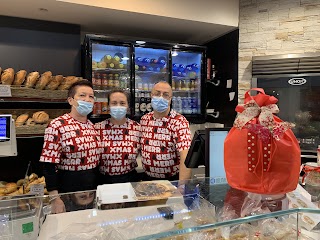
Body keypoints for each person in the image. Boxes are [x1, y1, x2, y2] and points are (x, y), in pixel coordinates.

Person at [40, 80, 103, 214]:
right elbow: (48, 164)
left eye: (91, 97)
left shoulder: (92, 126)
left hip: (92, 190)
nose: (87, 100)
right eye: (82, 95)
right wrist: (54, 198)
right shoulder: (57, 125)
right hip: (68, 191)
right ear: (70, 100)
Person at [140, 81, 192, 181]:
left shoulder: (179, 122)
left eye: (165, 95)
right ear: (151, 96)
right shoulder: (144, 119)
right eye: (157, 93)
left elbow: (186, 157)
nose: (161, 97)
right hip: (147, 180)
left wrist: (182, 187)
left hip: (171, 181)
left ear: (170, 99)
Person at [95, 89, 141, 184]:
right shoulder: (97, 128)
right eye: (114, 103)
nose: (118, 106)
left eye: (122, 103)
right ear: (108, 106)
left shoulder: (137, 128)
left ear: (128, 106)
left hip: (130, 179)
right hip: (104, 180)